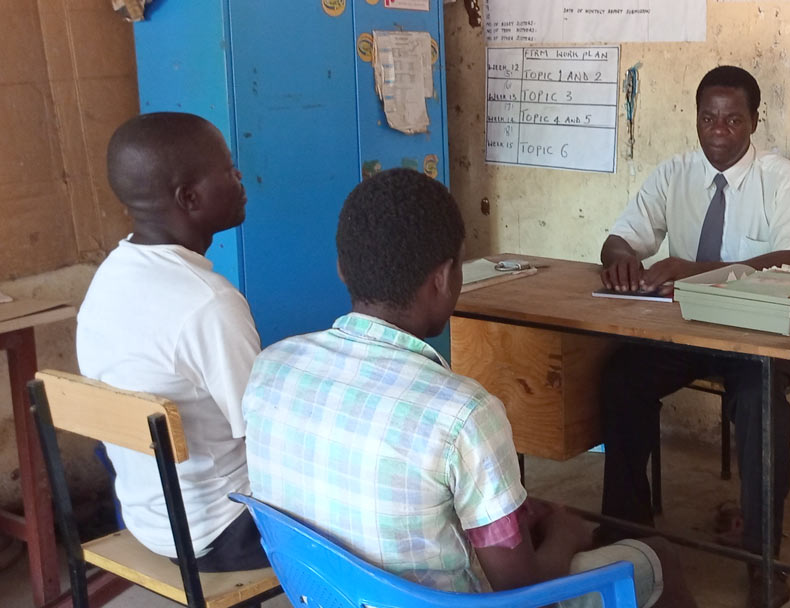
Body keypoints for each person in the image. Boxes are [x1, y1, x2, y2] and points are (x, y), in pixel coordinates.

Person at [243, 168, 698, 607]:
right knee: (659, 558)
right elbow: (521, 591)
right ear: (443, 278)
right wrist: (566, 532)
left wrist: (511, 515)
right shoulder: (462, 413)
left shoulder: (270, 370)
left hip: (330, 594)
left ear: (343, 269)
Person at [598, 65, 790, 608]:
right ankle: (628, 530)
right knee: (621, 375)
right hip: (688, 329)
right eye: (708, 118)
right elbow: (621, 236)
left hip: (759, 334)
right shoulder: (673, 174)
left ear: (753, 122)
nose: (718, 131)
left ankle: (762, 557)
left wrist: (695, 269)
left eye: (733, 119)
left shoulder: (785, 178)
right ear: (695, 118)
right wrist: (623, 260)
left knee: (760, 402)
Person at [76, 112, 268, 571]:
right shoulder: (209, 304)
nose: (239, 176)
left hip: (147, 517)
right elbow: (266, 433)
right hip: (224, 529)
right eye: (226, 169)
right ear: (189, 197)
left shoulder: (107, 281)